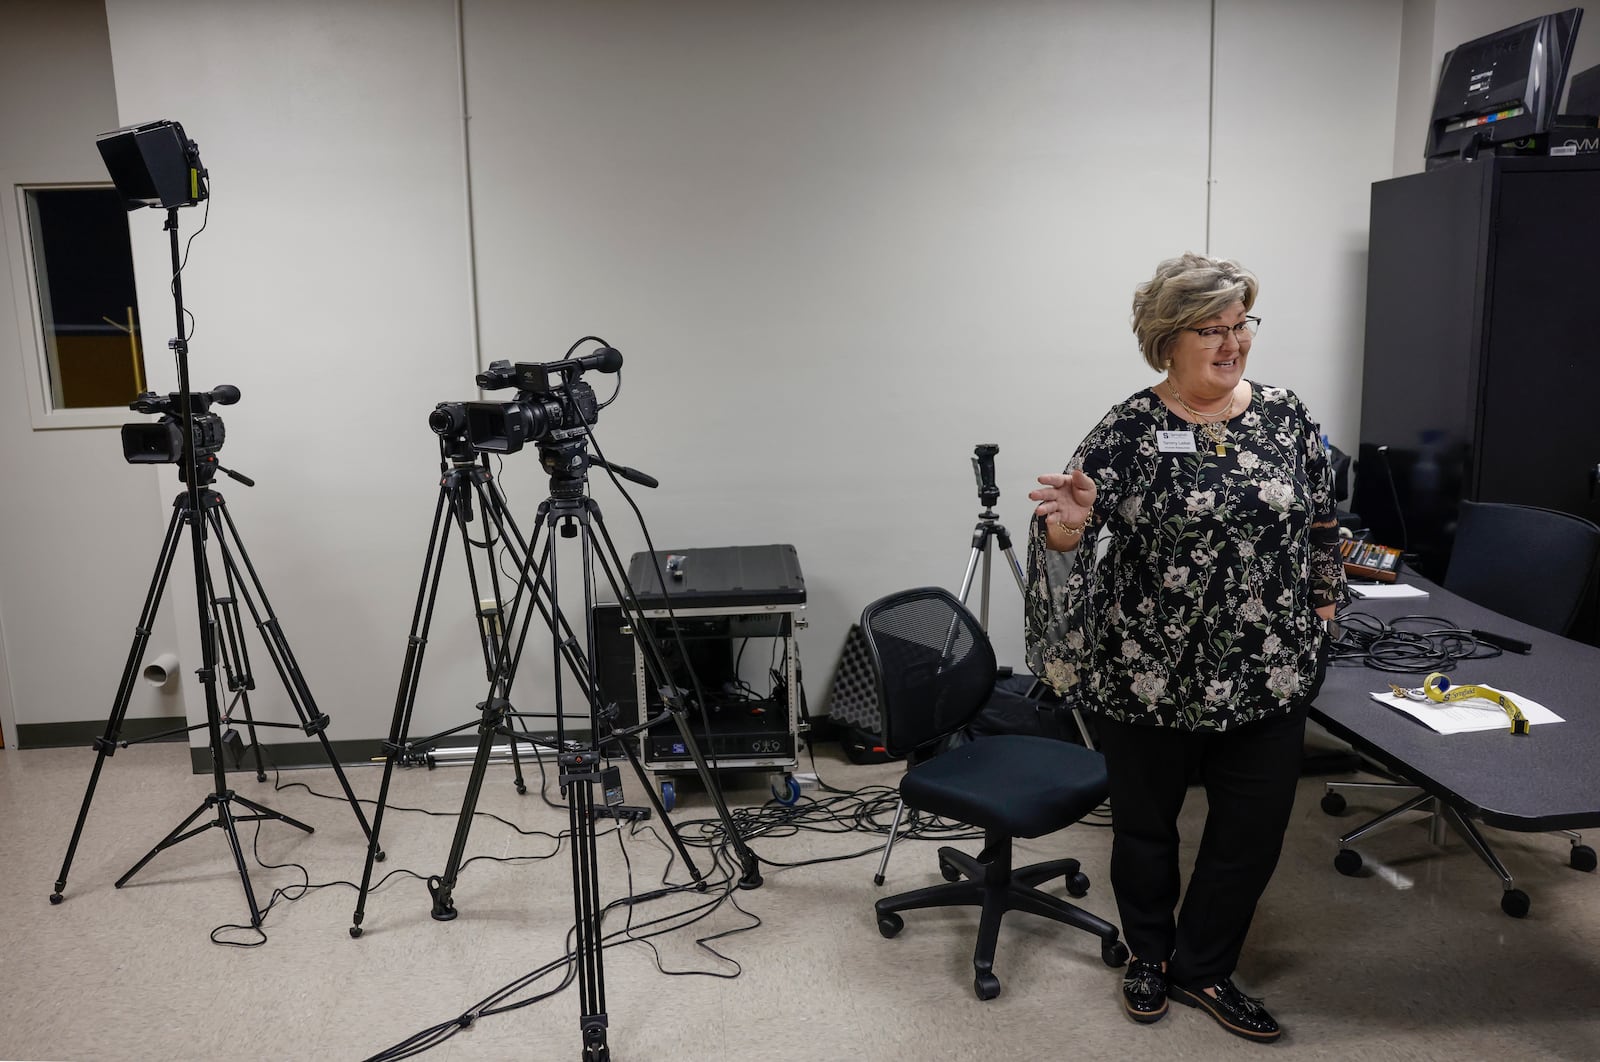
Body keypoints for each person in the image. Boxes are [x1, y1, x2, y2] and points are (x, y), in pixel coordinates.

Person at [1024, 253, 1345, 1044]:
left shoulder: (1285, 414)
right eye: (1213, 328)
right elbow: (1068, 530)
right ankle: (1148, 953)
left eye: (1242, 325)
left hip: (1266, 671)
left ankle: (1203, 966)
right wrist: (1068, 519)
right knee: (1145, 830)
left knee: (1251, 831)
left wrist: (1325, 602)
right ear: (1169, 339)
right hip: (1147, 673)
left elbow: (1322, 522)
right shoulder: (1129, 427)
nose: (1233, 342)